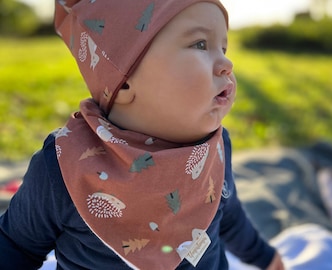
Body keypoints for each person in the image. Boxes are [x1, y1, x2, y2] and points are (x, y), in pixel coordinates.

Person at [0, 0, 285, 269]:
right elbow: (16, 245)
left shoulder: (217, 148)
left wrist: (265, 257)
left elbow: (229, 215)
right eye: (200, 44)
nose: (227, 63)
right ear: (123, 81)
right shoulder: (64, 166)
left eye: (224, 47)